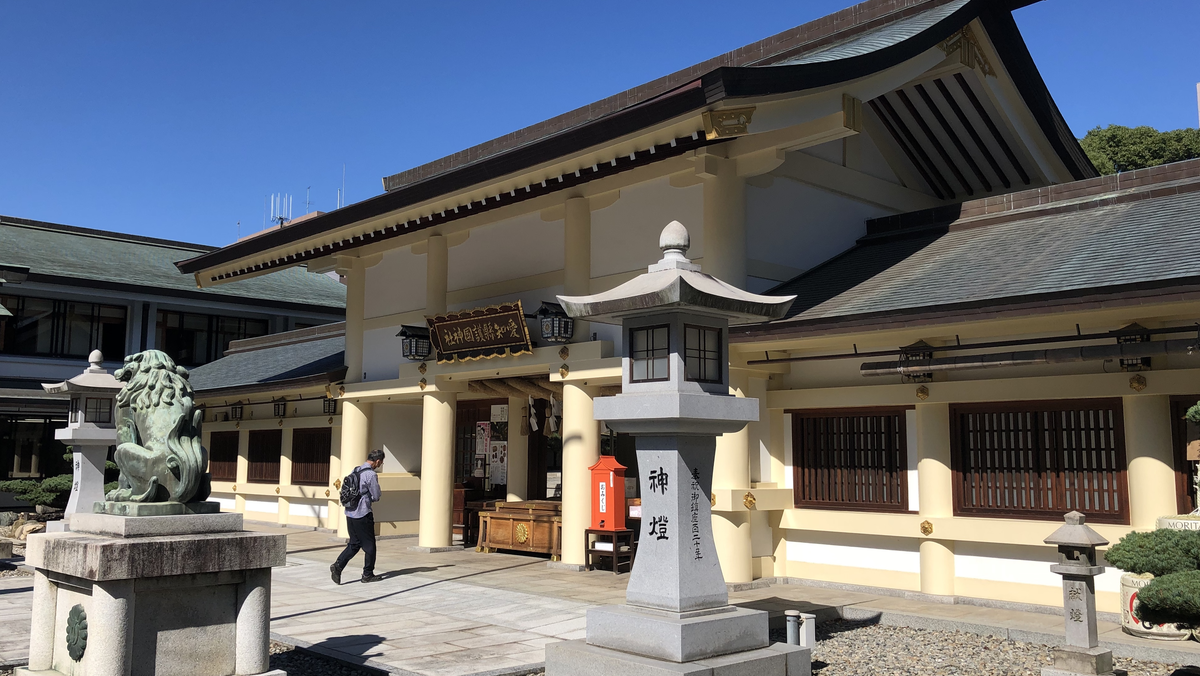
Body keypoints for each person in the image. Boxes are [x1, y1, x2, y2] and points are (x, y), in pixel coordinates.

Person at [331, 449, 385, 584]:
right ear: (377, 461)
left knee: (354, 543)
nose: (380, 464)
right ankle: (368, 574)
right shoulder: (371, 474)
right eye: (381, 462)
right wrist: (371, 497)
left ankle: (338, 566)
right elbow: (376, 495)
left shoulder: (355, 470)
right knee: (370, 546)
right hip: (363, 513)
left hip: (350, 512)